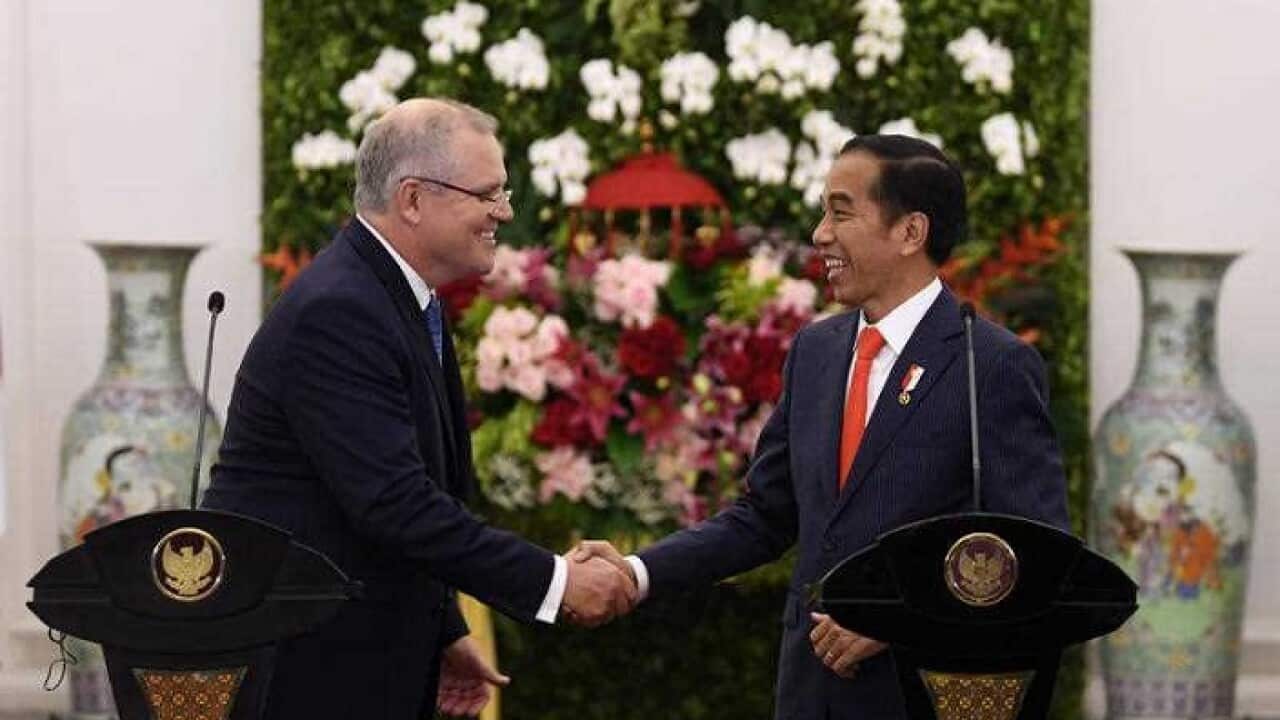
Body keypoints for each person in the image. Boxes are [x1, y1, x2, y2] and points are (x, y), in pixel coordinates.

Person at [576, 135, 1070, 719]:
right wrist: (638, 573)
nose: (820, 234)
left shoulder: (988, 364)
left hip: (920, 697)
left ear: (910, 232)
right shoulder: (816, 350)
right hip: (811, 696)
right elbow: (764, 515)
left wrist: (900, 617)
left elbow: (1037, 556)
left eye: (841, 212)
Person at [203, 98, 637, 720]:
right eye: (487, 194)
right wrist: (555, 582)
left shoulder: (396, 296)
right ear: (412, 199)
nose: (505, 212)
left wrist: (442, 629)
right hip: (305, 674)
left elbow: (411, 493)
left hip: (357, 661)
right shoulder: (341, 311)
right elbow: (395, 504)